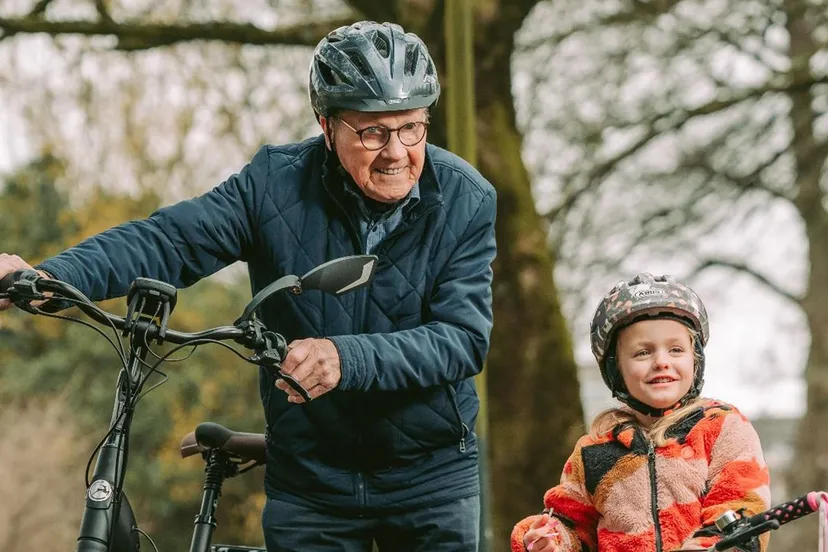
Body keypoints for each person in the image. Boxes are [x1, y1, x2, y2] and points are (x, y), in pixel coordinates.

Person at [0, 20, 496, 552]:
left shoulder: (466, 199)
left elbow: (461, 339)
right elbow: (170, 240)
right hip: (313, 482)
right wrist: (56, 276)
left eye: (412, 127)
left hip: (429, 477)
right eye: (373, 132)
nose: (396, 152)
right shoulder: (273, 186)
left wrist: (343, 358)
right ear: (327, 128)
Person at [510, 273, 771, 552]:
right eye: (642, 353)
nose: (661, 362)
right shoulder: (594, 450)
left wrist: (710, 545)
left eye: (675, 349)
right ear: (615, 368)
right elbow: (572, 523)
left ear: (695, 360)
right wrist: (552, 539)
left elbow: (742, 507)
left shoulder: (722, 428)